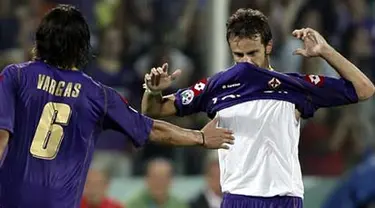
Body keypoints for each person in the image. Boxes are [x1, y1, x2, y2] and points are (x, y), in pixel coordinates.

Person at [0, 5, 234, 208]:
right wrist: (200, 137)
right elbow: (151, 128)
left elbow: (1, 136)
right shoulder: (98, 95)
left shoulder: (16, 76)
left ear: (40, 40)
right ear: (83, 47)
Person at [141, 8, 375, 208]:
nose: (246, 62)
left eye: (253, 53)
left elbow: (364, 89)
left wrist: (326, 51)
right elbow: (154, 110)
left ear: (268, 46)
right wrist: (153, 90)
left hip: (285, 198)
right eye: (238, 55)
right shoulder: (216, 86)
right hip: (239, 198)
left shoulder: (294, 85)